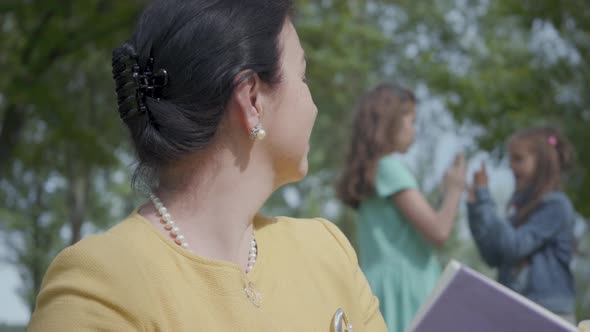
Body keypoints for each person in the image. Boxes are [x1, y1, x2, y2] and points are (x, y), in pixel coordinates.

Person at [28, 1, 387, 331]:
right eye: (303, 76)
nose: (314, 104)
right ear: (251, 100)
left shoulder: (327, 252)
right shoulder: (100, 287)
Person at [337, 83, 467, 332]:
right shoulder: (390, 168)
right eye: (410, 120)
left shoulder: (373, 171)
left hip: (380, 287)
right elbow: (438, 231)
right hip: (407, 289)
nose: (413, 129)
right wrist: (454, 189)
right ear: (390, 122)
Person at [468, 126, 577, 324]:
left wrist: (486, 197)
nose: (511, 166)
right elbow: (492, 255)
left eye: (518, 159)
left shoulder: (556, 206)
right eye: (510, 160)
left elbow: (514, 246)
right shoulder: (520, 211)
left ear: (542, 163)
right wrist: (476, 208)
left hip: (549, 314)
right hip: (519, 312)